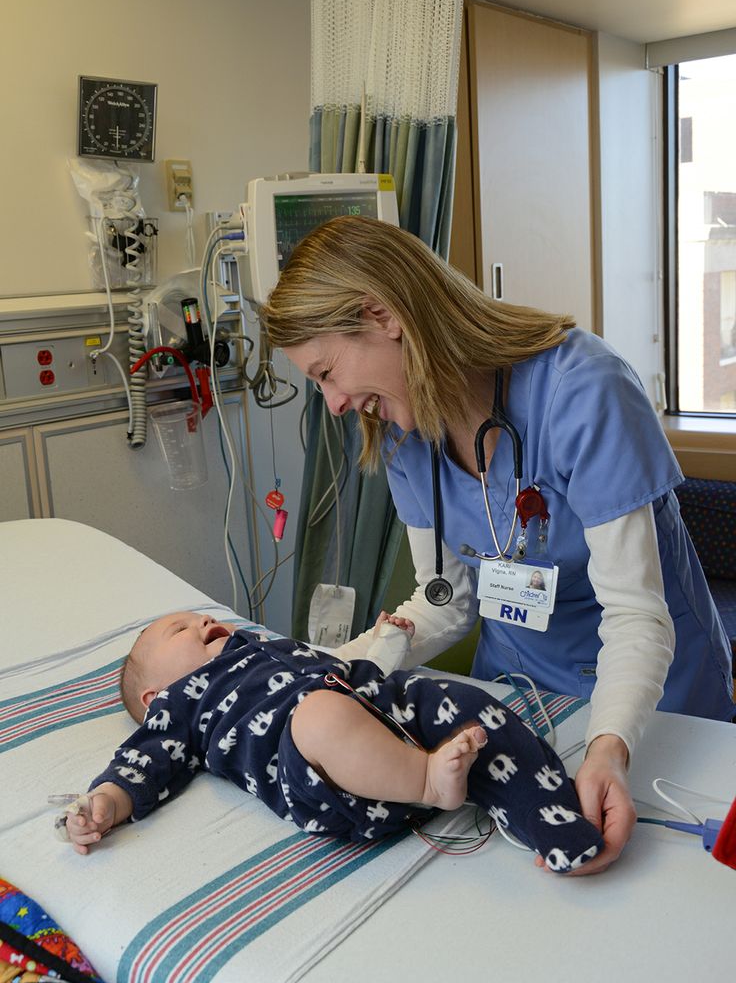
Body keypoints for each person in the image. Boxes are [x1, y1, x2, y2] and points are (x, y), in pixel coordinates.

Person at [260, 214, 734, 877]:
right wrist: (337, 666)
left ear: (381, 314)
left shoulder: (584, 389)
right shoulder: (402, 431)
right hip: (514, 692)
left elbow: (634, 613)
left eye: (328, 371)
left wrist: (609, 748)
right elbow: (445, 599)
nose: (333, 402)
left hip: (648, 699)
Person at [61, 610, 603, 874]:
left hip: (384, 711)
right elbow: (139, 764)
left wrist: (387, 639)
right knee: (318, 716)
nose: (200, 619)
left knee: (457, 701)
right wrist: (105, 803)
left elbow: (343, 666)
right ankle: (427, 782)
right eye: (178, 631)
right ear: (157, 696)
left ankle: (553, 818)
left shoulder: (265, 647)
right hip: (323, 777)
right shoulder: (182, 709)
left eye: (194, 615)